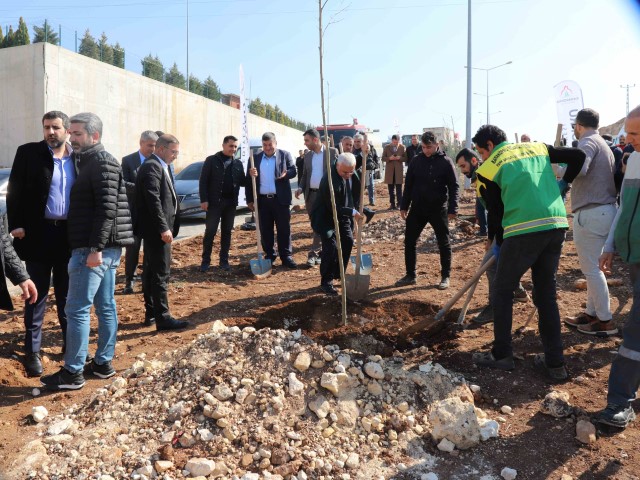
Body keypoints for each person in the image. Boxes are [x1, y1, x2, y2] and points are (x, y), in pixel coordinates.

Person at [470, 124, 585, 380]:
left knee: (502, 291)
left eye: (481, 151)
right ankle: (555, 364)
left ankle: (502, 355)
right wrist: (564, 183)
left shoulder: (488, 169)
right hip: (555, 226)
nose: (481, 157)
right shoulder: (536, 147)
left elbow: (497, 214)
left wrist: (498, 244)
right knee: (546, 294)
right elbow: (578, 157)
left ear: (489, 145)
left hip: (522, 231)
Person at [41, 112, 134, 391]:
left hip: (93, 250)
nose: (72, 137)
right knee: (105, 306)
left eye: (78, 133)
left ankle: (72, 373)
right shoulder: (92, 162)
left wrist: (95, 249)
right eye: (72, 133)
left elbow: (106, 210)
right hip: (102, 248)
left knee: (77, 309)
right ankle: (103, 364)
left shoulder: (102, 162)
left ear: (94, 136)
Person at [7, 111, 74, 377]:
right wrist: (16, 224)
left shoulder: (77, 158)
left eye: (56, 127)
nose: (50, 132)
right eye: (46, 127)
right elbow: (15, 190)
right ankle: (32, 352)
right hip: (37, 235)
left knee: (68, 296)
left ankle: (71, 348)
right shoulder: (28, 153)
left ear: (66, 130)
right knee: (36, 295)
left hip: (69, 237)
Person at [594, 105, 640, 428]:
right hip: (634, 256)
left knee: (636, 328)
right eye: (629, 132)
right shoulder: (634, 160)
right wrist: (610, 245)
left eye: (635, 133)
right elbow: (624, 206)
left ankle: (620, 401)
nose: (629, 139)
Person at [455, 148, 529, 324]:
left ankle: (495, 308)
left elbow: (495, 210)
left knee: (491, 266)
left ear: (474, 161)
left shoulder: (486, 176)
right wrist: (489, 236)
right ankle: (517, 291)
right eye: (460, 167)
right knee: (501, 262)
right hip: (505, 224)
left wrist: (494, 238)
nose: (463, 170)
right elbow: (487, 210)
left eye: (464, 165)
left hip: (510, 224)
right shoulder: (479, 179)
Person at [563, 109, 618, 336]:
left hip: (592, 212)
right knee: (594, 269)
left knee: (592, 270)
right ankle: (592, 313)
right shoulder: (602, 144)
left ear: (578, 125)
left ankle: (605, 321)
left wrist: (558, 171)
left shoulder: (586, 143)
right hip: (604, 211)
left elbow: (580, 169)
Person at [136, 134, 187, 331]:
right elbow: (153, 200)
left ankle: (152, 312)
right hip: (156, 232)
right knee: (160, 273)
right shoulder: (152, 166)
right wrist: (163, 227)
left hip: (157, 230)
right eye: (173, 151)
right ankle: (163, 317)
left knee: (151, 272)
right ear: (161, 149)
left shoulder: (160, 165)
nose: (175, 156)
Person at [396, 131, 458, 290]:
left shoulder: (446, 162)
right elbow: (408, 185)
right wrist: (404, 206)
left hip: (438, 209)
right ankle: (410, 275)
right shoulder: (416, 161)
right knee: (409, 241)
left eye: (429, 147)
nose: (426, 150)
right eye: (423, 147)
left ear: (437, 145)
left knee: (443, 243)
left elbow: (454, 186)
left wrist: (453, 208)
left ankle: (445, 276)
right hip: (418, 208)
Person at [311, 153, 364, 295]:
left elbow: (355, 189)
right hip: (326, 216)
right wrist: (353, 212)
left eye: (351, 171)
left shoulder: (348, 169)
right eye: (345, 172)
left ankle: (338, 273)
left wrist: (365, 151)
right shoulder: (329, 181)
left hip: (344, 214)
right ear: (337, 165)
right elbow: (334, 208)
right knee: (331, 247)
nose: (348, 174)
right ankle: (326, 281)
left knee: (348, 240)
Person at [247, 132, 298, 268]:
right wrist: (250, 200)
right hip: (263, 201)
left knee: (284, 229)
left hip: (280, 200)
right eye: (265, 145)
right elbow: (248, 180)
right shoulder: (255, 158)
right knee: (266, 230)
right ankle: (270, 255)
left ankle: (286, 256)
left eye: (270, 144)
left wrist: (287, 174)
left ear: (275, 143)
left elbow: (294, 170)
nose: (268, 147)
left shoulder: (284, 155)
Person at [199, 135, 246, 272]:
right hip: (214, 204)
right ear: (223, 145)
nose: (234, 149)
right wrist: (204, 200)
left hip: (230, 204)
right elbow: (203, 181)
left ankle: (224, 261)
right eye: (231, 146)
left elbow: (243, 182)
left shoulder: (237, 164)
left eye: (236, 146)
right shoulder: (212, 160)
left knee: (227, 232)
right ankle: (205, 261)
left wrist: (251, 175)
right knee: (210, 232)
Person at [121, 131, 158, 294]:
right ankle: (130, 280)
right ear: (141, 143)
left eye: (155, 145)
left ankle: (147, 280)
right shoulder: (128, 161)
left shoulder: (158, 161)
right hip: (134, 213)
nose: (153, 148)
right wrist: (144, 190)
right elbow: (123, 183)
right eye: (150, 145)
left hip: (152, 214)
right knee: (132, 249)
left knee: (151, 249)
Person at [297, 129, 339, 267]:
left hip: (325, 195)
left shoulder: (332, 152)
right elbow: (305, 175)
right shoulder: (308, 156)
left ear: (315, 140)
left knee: (321, 225)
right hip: (311, 196)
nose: (305, 143)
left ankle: (314, 253)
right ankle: (321, 253)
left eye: (307, 140)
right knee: (316, 225)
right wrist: (300, 188)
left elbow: (338, 174)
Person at [382, 134, 406, 210]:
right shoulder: (387, 147)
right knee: (391, 189)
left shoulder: (402, 147)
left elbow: (406, 158)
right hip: (390, 172)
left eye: (397, 142)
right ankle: (392, 204)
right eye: (394, 142)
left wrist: (400, 158)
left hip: (398, 171)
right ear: (392, 140)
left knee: (399, 189)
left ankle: (400, 204)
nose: (395, 143)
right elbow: (382, 158)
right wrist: (389, 158)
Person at [353, 133, 378, 206]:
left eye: (358, 141)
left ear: (362, 142)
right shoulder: (353, 150)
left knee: (370, 186)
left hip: (366, 172)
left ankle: (371, 200)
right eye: (355, 141)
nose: (356, 143)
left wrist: (363, 167)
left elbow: (370, 162)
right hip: (355, 174)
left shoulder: (366, 150)